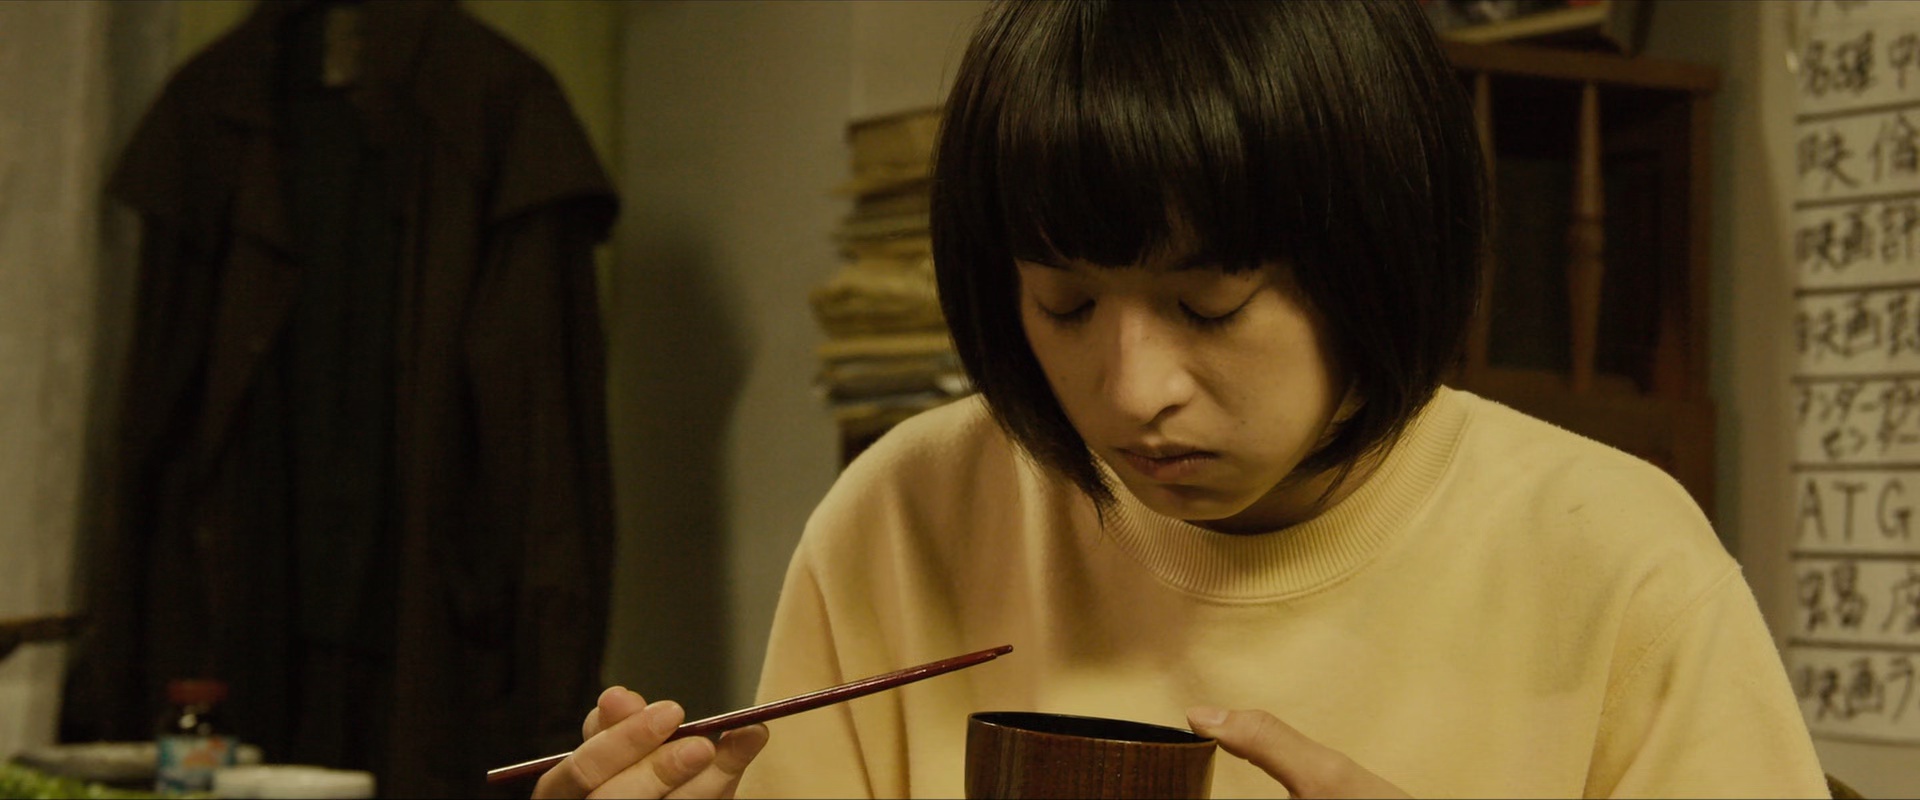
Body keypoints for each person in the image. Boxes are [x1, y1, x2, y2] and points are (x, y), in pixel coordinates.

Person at [535, 1, 1831, 797]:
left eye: (1208, 307)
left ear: (1377, 253)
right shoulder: (909, 516)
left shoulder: (1617, 561)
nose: (1132, 391)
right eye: (1066, 305)